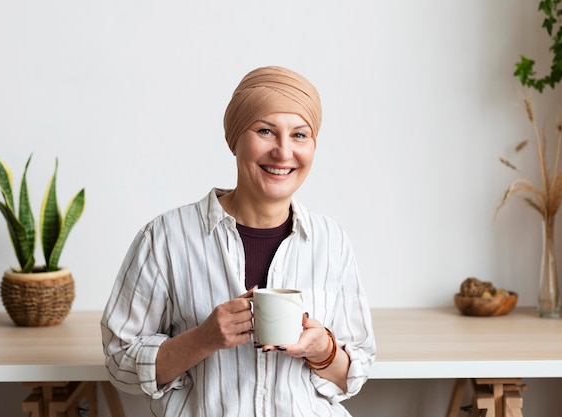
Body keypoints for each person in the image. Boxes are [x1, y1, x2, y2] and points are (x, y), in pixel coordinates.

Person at [101, 65, 376, 416]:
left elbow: (355, 370)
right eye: (265, 131)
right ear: (234, 140)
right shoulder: (166, 237)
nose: (283, 152)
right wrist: (202, 339)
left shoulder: (331, 241)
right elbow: (119, 361)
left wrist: (323, 349)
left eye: (299, 135)